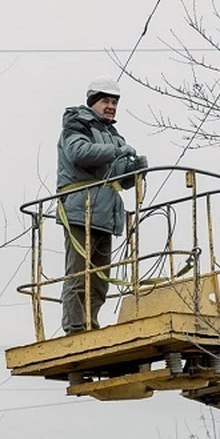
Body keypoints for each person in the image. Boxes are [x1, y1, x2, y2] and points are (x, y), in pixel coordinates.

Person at [56, 75, 148, 334]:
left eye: (114, 103)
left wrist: (135, 170)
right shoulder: (76, 125)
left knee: (98, 279)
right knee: (78, 275)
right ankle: (76, 327)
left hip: (105, 214)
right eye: (106, 101)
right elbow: (79, 153)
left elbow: (120, 178)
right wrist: (116, 152)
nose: (111, 106)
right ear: (93, 102)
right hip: (79, 210)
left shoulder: (113, 136)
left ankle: (90, 323)